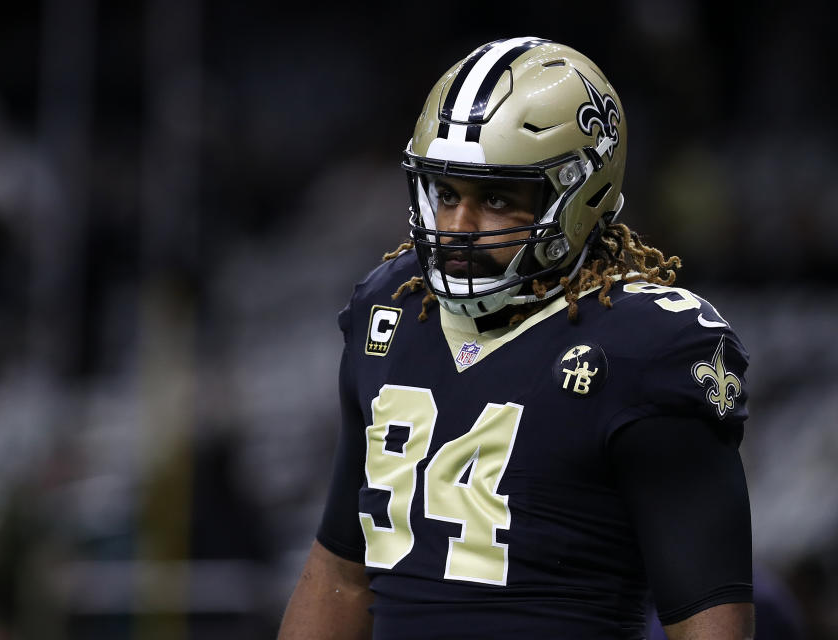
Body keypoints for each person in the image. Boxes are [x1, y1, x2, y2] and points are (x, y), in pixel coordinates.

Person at [278, 37, 754, 639]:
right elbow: (340, 573)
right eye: (445, 193)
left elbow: (708, 620)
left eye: (497, 198)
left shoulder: (649, 346)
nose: (457, 227)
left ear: (579, 194)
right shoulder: (392, 309)